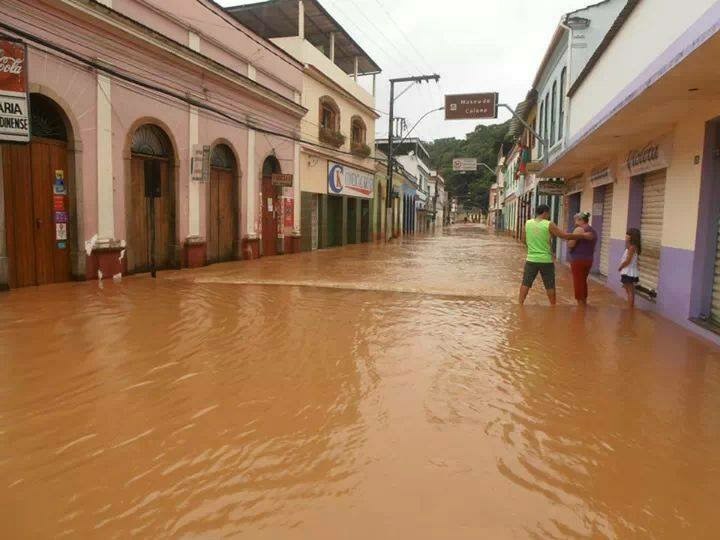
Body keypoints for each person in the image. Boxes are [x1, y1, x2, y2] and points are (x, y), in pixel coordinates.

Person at [519, 204, 593, 306]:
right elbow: (564, 236)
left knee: (526, 283)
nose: (549, 215)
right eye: (548, 213)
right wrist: (582, 235)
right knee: (550, 285)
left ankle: (520, 304)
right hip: (546, 260)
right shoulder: (548, 224)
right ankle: (553, 307)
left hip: (531, 259)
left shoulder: (527, 223)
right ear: (545, 213)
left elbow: (523, 240)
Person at [567, 212, 597, 306]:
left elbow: (571, 244)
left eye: (576, 220)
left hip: (578, 260)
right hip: (589, 259)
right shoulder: (593, 230)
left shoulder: (579, 229)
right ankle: (584, 302)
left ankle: (580, 306)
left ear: (581, 220)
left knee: (578, 281)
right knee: (583, 280)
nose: (575, 222)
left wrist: (569, 243)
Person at [618, 228, 641, 309]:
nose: (626, 236)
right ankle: (630, 306)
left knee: (630, 291)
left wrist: (620, 267)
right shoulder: (631, 246)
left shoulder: (632, 248)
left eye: (628, 235)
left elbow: (628, 261)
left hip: (628, 271)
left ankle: (630, 307)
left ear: (632, 237)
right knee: (628, 290)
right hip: (629, 271)